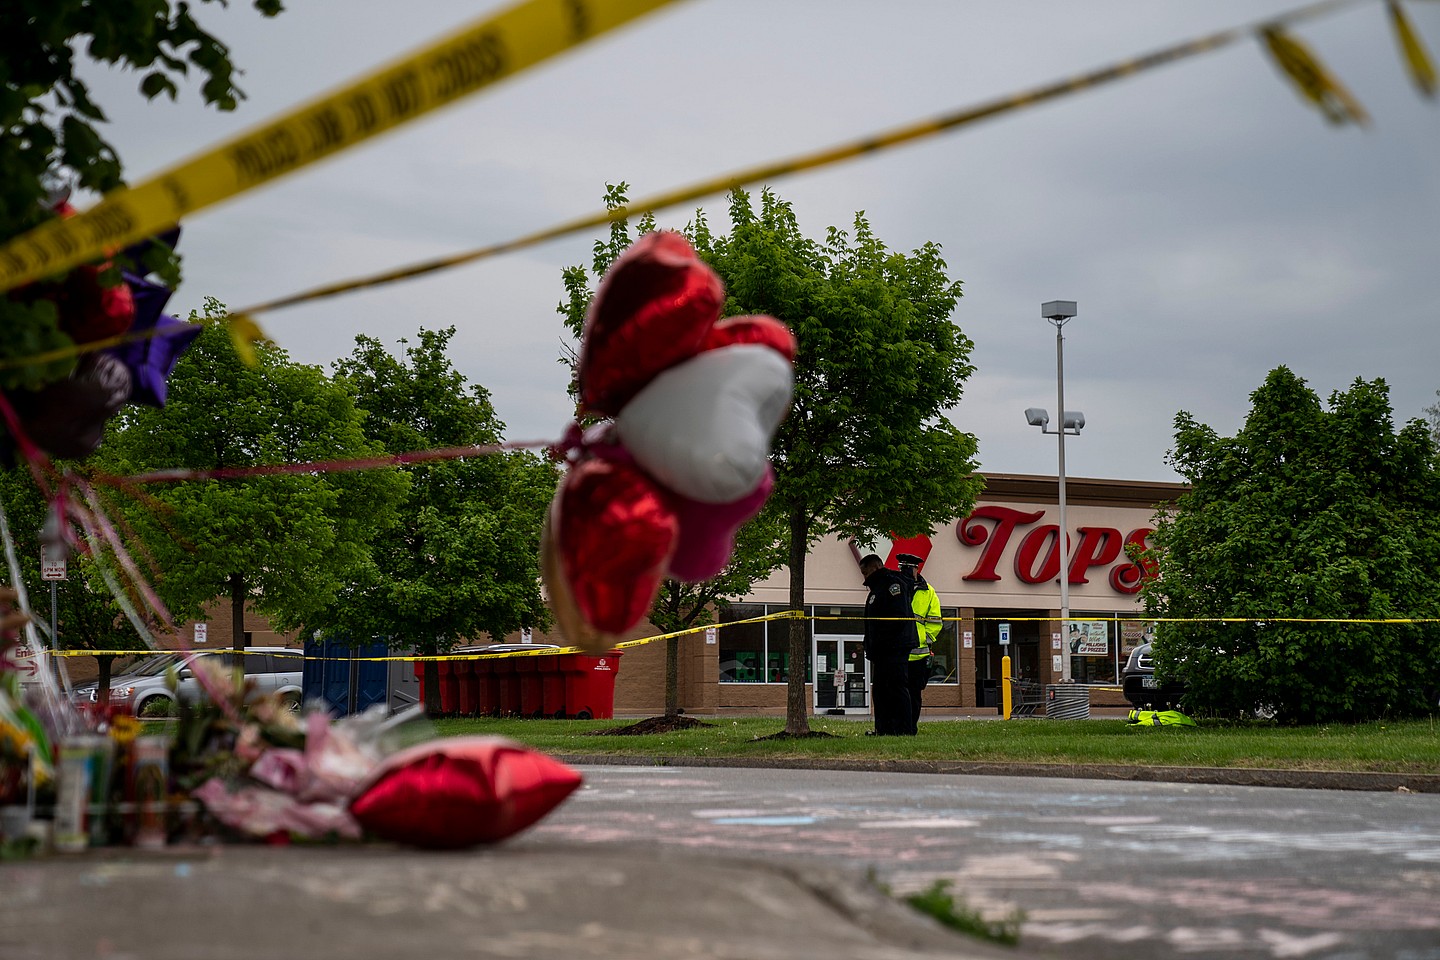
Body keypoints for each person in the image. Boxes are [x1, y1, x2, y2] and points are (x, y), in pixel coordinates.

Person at [859, 553, 915, 735]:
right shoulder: (878, 587)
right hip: (881, 650)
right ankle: (884, 729)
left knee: (896, 688)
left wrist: (882, 642)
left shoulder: (893, 584)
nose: (865, 578)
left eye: (866, 573)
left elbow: (897, 618)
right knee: (881, 691)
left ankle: (904, 729)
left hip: (894, 648)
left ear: (875, 568)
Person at [897, 553, 942, 735]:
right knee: (898, 695)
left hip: (919, 655)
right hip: (898, 654)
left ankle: (911, 728)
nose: (906, 571)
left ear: (917, 569)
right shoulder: (895, 588)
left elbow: (936, 621)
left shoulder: (928, 591)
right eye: (903, 568)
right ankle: (898, 727)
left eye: (910, 568)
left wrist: (925, 639)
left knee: (914, 695)